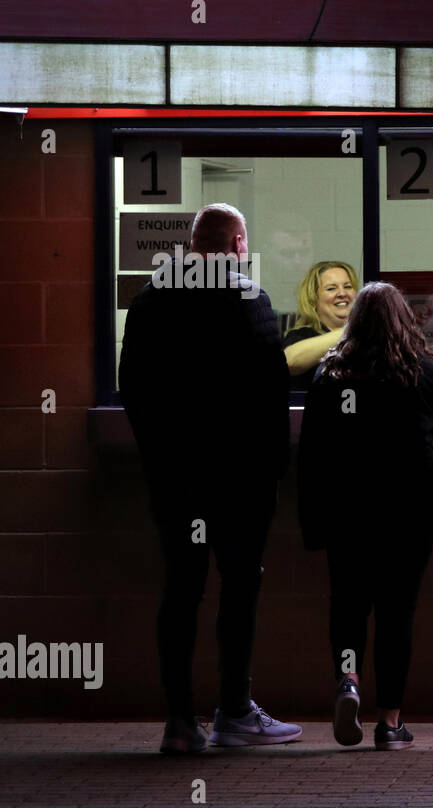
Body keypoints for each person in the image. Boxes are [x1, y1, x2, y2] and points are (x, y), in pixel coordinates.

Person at [119, 202, 301, 754]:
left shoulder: (151, 298)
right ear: (239, 242)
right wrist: (274, 472)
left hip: (177, 479)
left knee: (181, 590)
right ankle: (234, 712)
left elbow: (133, 389)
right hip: (240, 482)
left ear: (194, 243)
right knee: (239, 589)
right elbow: (270, 397)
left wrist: (161, 457)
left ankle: (180, 722)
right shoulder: (249, 297)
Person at [299, 282, 433, 751]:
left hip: (347, 509)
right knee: (396, 612)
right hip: (410, 508)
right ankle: (389, 722)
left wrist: (312, 521)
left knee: (347, 604)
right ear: (406, 320)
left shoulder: (331, 375)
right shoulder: (427, 371)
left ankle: (348, 681)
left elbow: (312, 456)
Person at [283, 261, 359, 390]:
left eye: (347, 286)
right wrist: (351, 330)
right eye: (331, 288)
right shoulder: (302, 335)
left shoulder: (368, 339)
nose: (342, 293)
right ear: (313, 298)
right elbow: (289, 361)